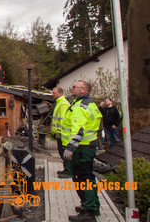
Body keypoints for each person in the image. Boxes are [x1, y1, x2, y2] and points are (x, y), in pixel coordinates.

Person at [62, 80, 102, 222]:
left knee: (81, 179)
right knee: (88, 177)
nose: (72, 88)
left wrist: (70, 147)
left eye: (74, 87)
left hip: (81, 148)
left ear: (83, 90)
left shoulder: (80, 106)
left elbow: (78, 129)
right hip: (88, 146)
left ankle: (88, 212)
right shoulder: (90, 104)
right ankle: (92, 206)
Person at [50, 86, 71, 178]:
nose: (52, 94)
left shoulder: (63, 104)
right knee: (61, 151)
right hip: (59, 132)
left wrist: (60, 132)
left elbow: (63, 120)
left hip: (62, 133)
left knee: (64, 152)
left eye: (54, 93)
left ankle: (69, 171)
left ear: (60, 93)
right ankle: (66, 169)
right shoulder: (59, 103)